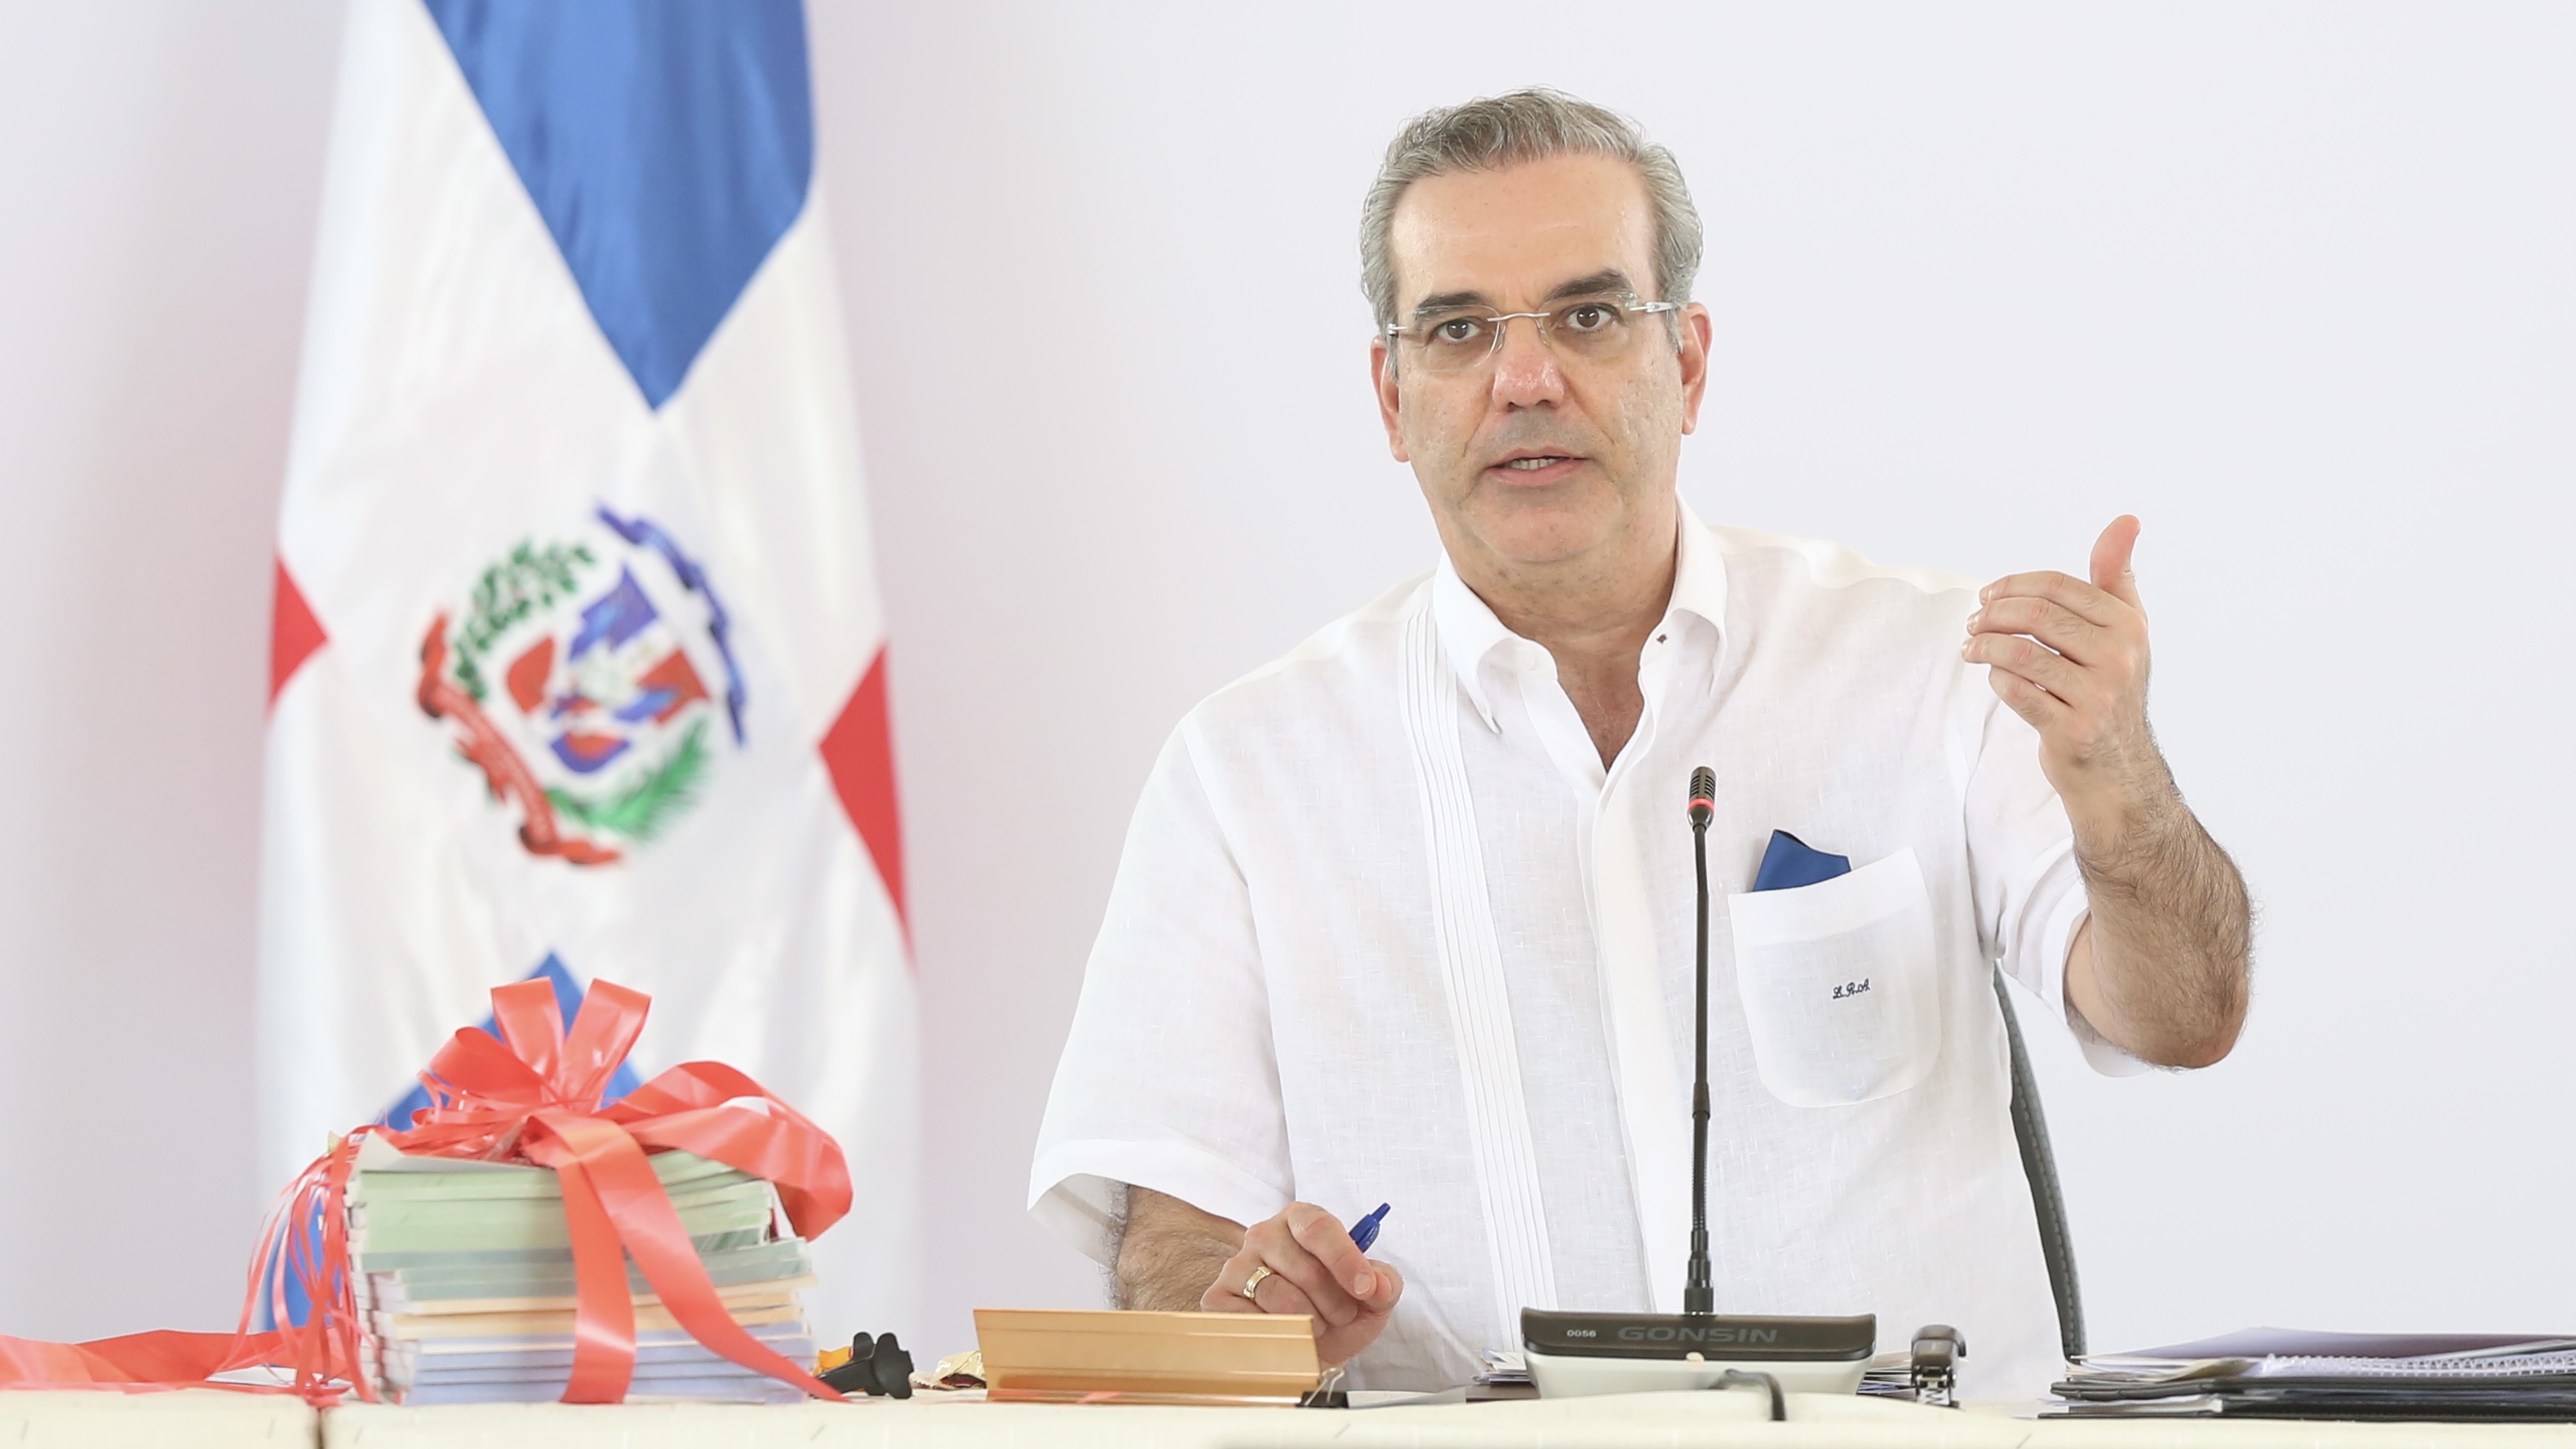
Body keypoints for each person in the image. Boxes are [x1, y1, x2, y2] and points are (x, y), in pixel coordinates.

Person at [1028, 88, 2250, 1397]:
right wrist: (1249, 1321)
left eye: (1588, 316)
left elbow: (2181, 1018)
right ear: (1391, 397)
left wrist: (2118, 782)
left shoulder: (1931, 668)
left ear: (1689, 364)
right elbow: (1172, 1233)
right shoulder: (1246, 771)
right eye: (1457, 330)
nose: (1525, 380)